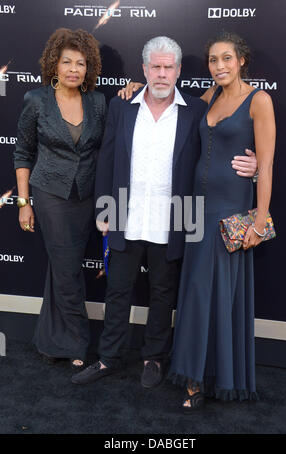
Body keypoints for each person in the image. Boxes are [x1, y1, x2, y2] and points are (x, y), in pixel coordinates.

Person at [71, 36, 257, 388]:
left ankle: (154, 358)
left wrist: (257, 163)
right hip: (126, 212)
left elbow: (223, 147)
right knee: (118, 290)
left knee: (163, 292)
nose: (161, 73)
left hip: (177, 215)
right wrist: (103, 208)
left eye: (167, 67)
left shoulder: (196, 110)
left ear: (178, 71)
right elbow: (107, 159)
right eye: (154, 66)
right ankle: (109, 358)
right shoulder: (122, 105)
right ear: (144, 69)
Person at [168, 31, 276, 411]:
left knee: (217, 296)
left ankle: (204, 379)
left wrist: (259, 221)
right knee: (197, 294)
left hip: (230, 212)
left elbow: (266, 165)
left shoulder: (259, 100)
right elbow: (171, 105)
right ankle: (197, 372)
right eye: (213, 60)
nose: (219, 66)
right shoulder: (208, 97)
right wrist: (137, 87)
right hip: (197, 211)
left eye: (226, 58)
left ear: (241, 59)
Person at [14, 28, 107, 369]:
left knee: (61, 268)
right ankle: (77, 342)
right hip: (50, 194)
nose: (73, 69)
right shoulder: (36, 100)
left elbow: (107, 148)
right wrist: (24, 204)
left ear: (88, 68)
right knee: (68, 270)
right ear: (54, 64)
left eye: (80, 63)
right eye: (66, 61)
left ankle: (49, 340)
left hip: (85, 195)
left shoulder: (97, 102)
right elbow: (22, 152)